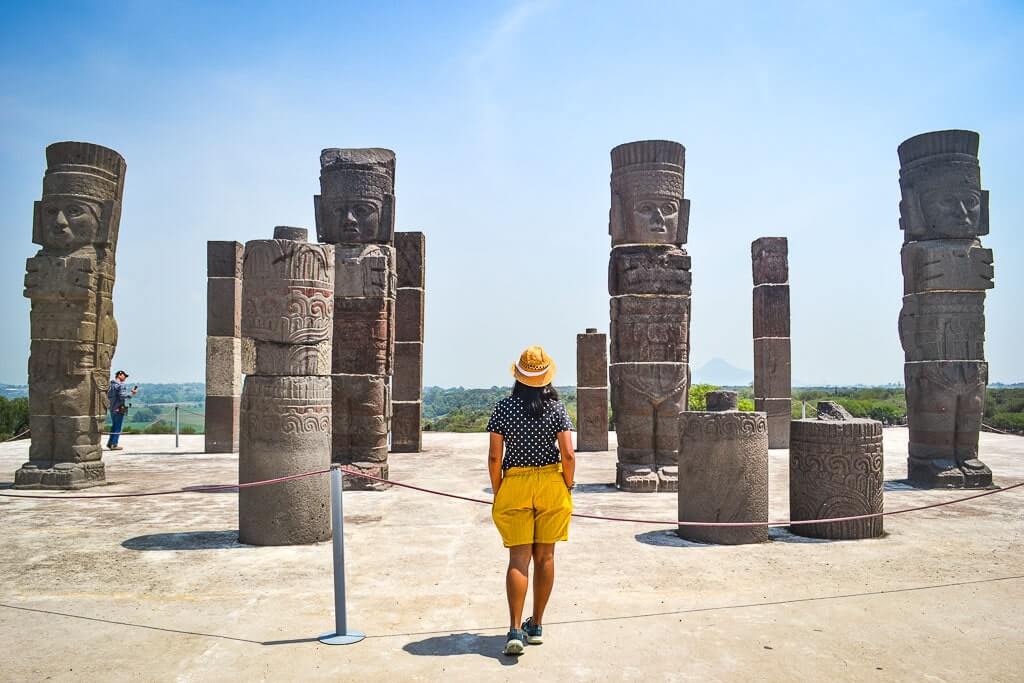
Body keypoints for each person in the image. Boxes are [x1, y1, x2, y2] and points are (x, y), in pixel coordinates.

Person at [487, 346, 575, 656]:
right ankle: (536, 625)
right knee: (546, 557)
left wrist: (500, 490)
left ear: (519, 377)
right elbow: (567, 453)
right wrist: (567, 483)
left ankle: (514, 629)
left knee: (518, 560)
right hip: (551, 481)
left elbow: (495, 456)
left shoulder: (503, 408)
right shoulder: (557, 408)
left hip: (516, 481)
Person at [107, 370, 137, 450]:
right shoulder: (121, 385)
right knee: (118, 427)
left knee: (114, 426)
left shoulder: (110, 385)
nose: (125, 378)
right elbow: (122, 396)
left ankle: (110, 443)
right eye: (124, 376)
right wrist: (131, 394)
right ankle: (114, 444)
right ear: (120, 375)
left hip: (111, 407)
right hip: (119, 408)